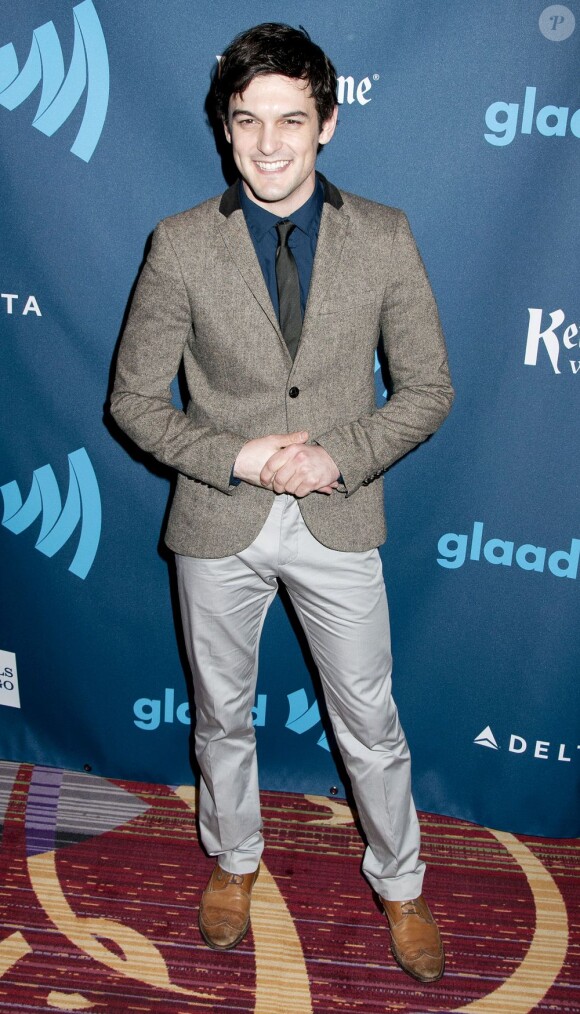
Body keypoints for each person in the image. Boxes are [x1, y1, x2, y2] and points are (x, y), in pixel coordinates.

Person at [111, 22, 453, 983]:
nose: (268, 144)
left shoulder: (384, 235)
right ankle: (232, 861)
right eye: (248, 120)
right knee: (222, 716)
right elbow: (133, 402)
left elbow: (428, 388)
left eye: (291, 120)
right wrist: (239, 455)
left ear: (328, 123)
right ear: (225, 128)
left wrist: (334, 456)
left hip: (339, 518)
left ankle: (401, 879)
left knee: (371, 722)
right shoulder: (179, 244)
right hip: (218, 522)